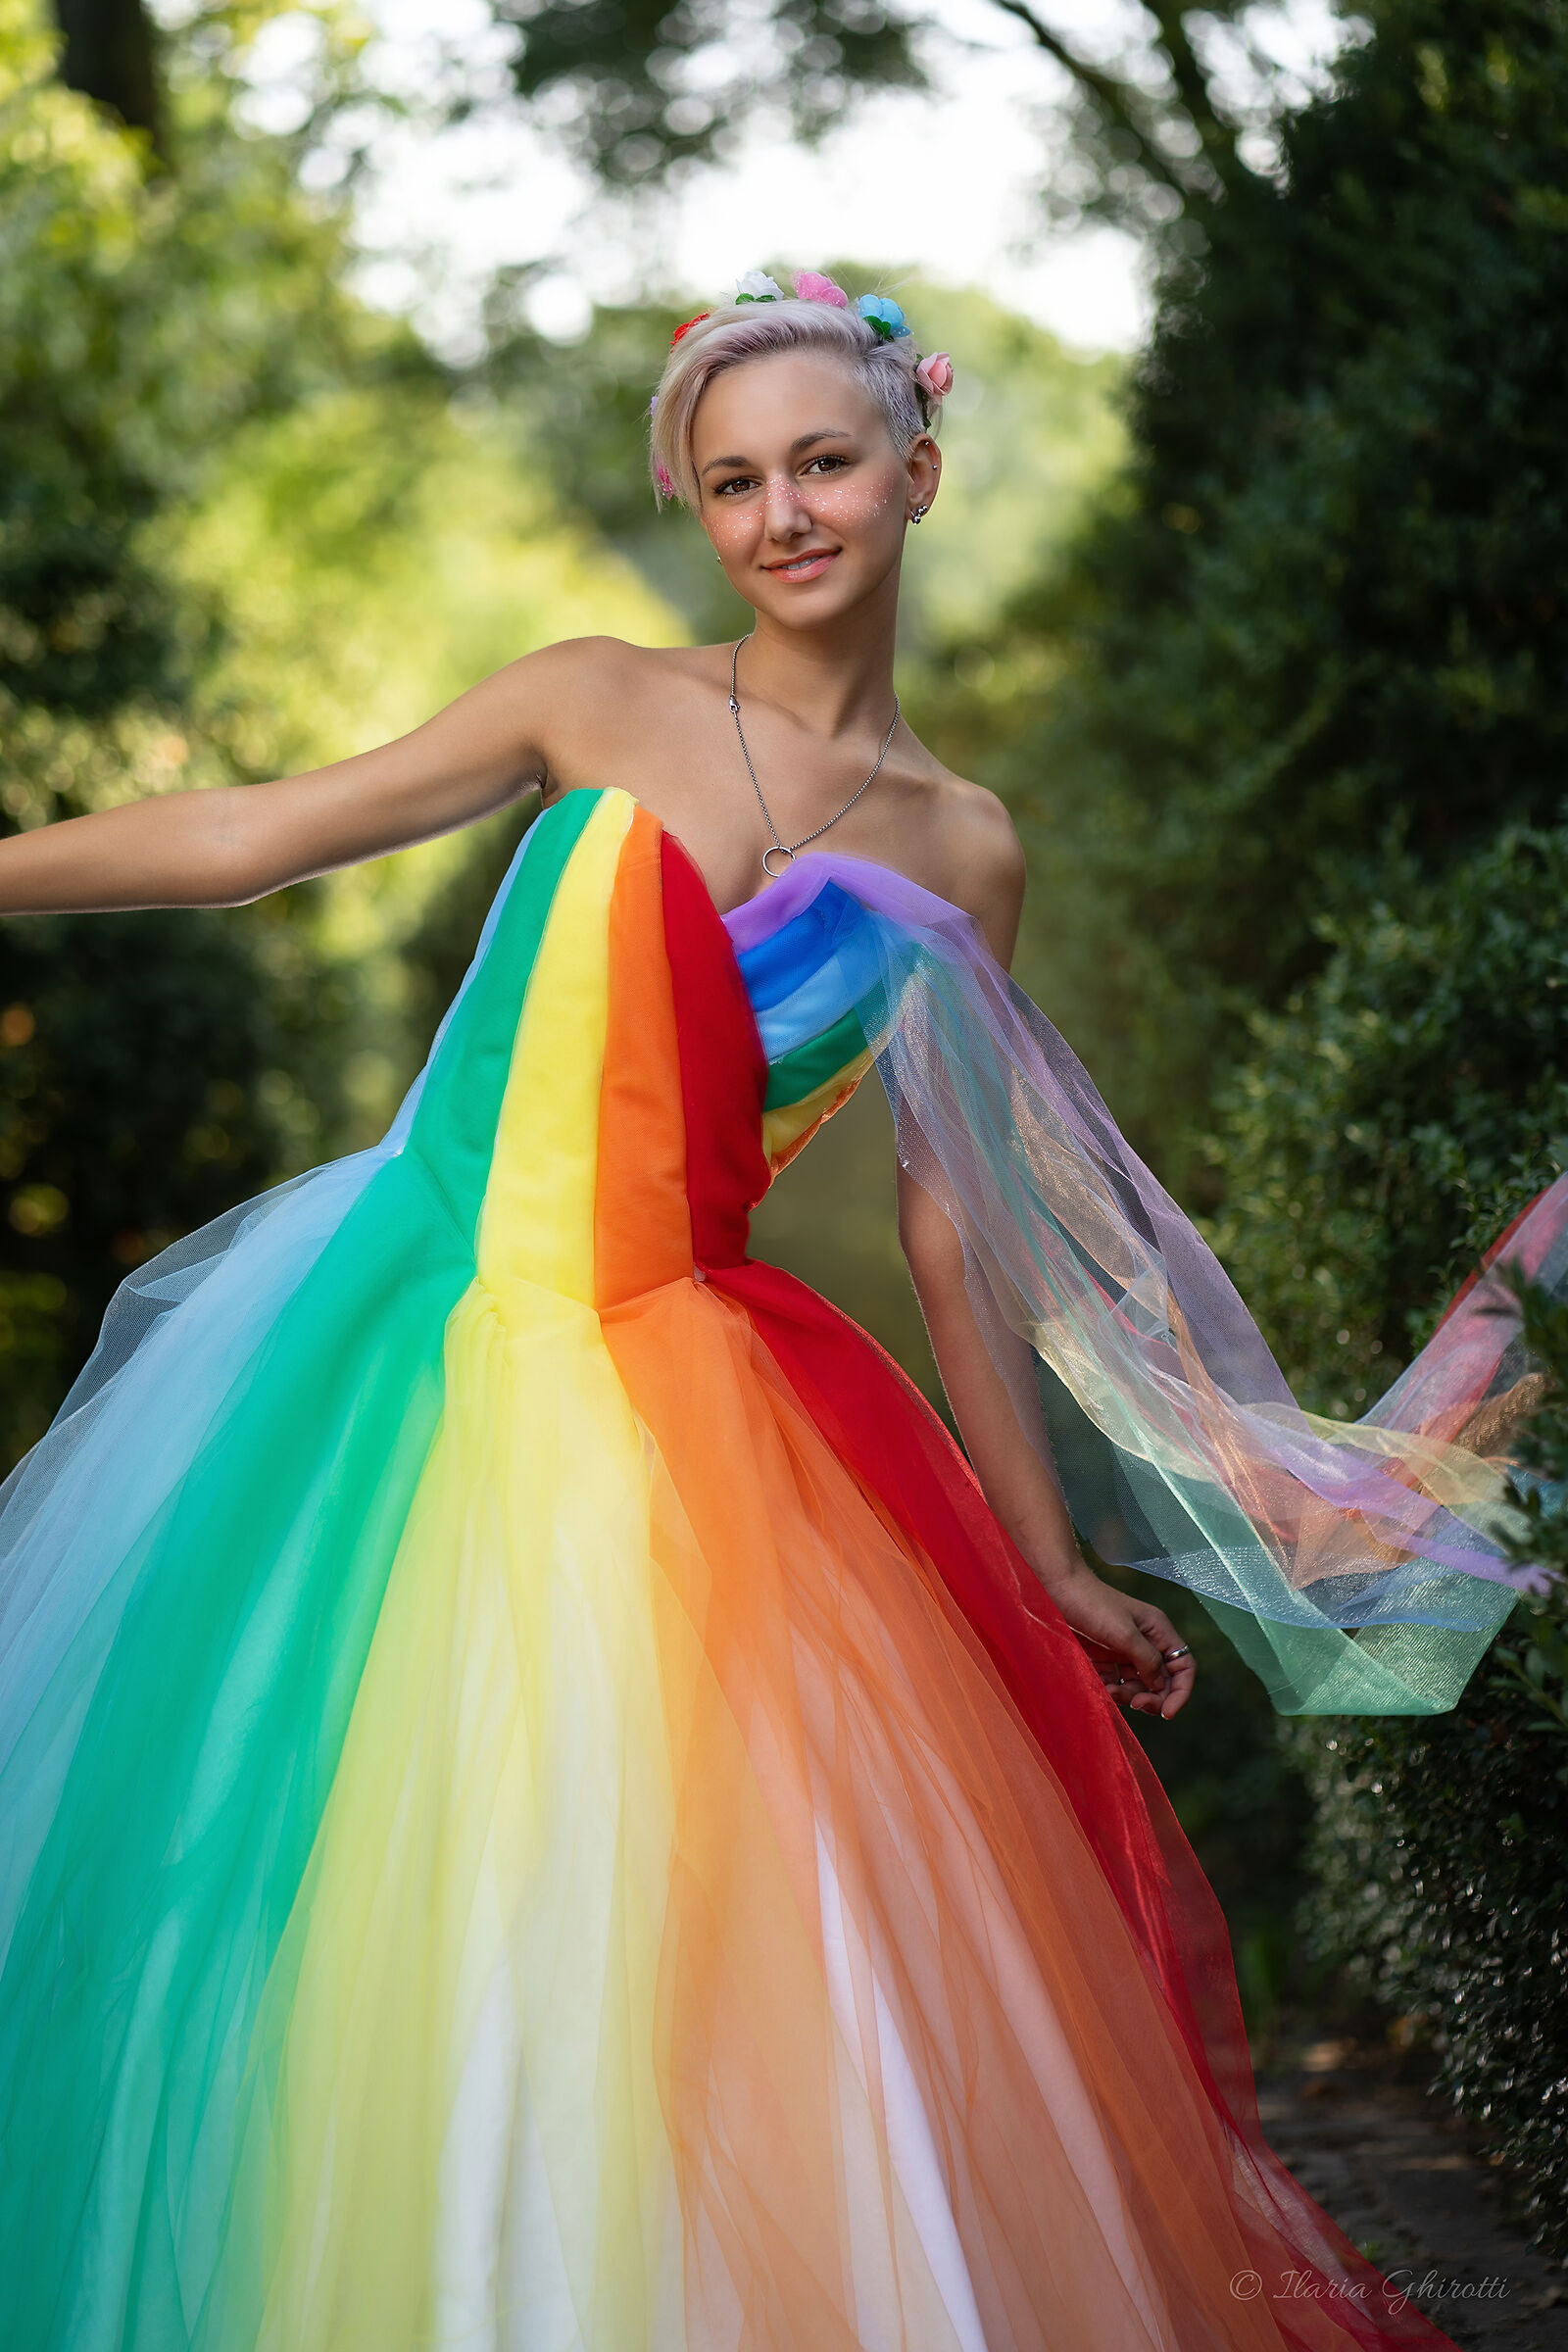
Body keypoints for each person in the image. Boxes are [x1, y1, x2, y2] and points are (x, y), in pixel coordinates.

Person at [0, 269, 1552, 2351]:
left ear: (915, 467)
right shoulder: (592, 696)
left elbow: (949, 1232)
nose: (780, 515)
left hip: (699, 1405)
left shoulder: (959, 849)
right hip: (416, 1351)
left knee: (710, 1916)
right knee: (402, 1872)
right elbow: (255, 834)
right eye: (731, 482)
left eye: (822, 462)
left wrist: (1040, 1556)